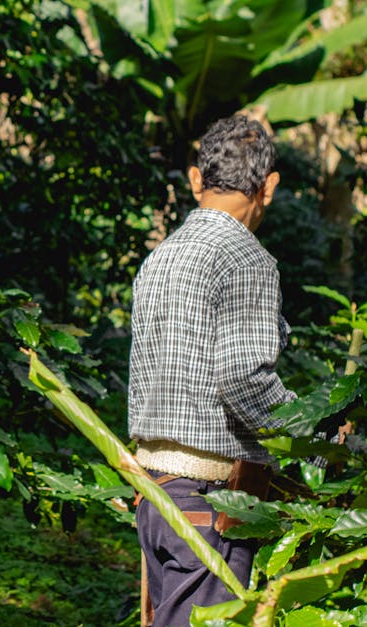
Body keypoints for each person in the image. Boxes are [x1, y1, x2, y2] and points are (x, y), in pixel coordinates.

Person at [127, 114, 296, 627]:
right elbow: (244, 380)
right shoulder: (247, 259)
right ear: (268, 187)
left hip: (154, 494)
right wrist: (310, 428)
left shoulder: (160, 257)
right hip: (206, 500)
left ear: (197, 181)